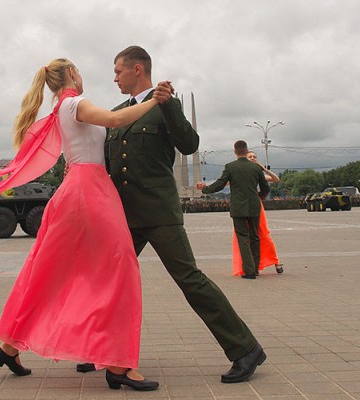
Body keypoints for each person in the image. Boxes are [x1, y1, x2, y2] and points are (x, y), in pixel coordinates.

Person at [0, 58, 172, 391]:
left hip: (76, 191)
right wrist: (153, 100)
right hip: (90, 193)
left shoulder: (62, 108)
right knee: (121, 270)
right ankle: (119, 365)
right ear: (73, 75)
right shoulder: (76, 103)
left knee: (48, 272)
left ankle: (9, 347)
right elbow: (117, 119)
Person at [79, 46, 266, 384]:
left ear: (138, 69)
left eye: (118, 71)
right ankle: (100, 351)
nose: (115, 77)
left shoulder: (164, 104)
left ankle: (245, 349)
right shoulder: (118, 112)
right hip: (124, 216)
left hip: (159, 212)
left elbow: (190, 144)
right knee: (104, 281)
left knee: (190, 281)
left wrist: (169, 106)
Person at [197, 140, 270, 280]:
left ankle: (248, 271)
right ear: (246, 150)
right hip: (254, 206)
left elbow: (219, 185)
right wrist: (259, 197)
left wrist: (205, 189)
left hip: (238, 207)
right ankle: (255, 269)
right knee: (255, 237)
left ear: (235, 151)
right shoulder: (256, 168)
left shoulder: (230, 167)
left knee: (243, 237)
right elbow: (265, 187)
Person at [229, 151, 283, 275]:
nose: (252, 158)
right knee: (244, 236)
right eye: (250, 157)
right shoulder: (238, 173)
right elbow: (225, 182)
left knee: (264, 234)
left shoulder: (258, 174)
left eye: (254, 157)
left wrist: (263, 169)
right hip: (242, 207)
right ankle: (249, 265)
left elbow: (276, 179)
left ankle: (275, 261)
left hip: (256, 206)